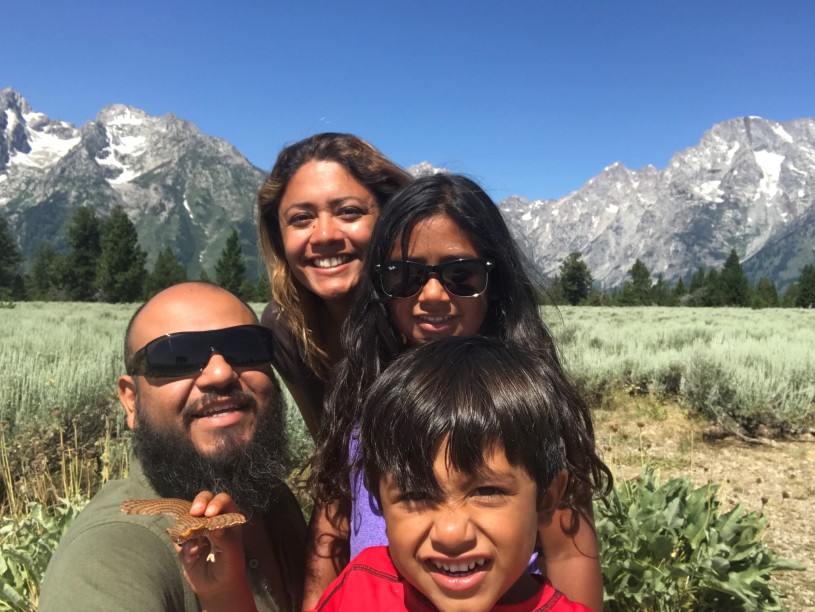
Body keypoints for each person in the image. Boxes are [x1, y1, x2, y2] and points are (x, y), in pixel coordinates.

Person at [308, 174, 612, 610]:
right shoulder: (360, 402)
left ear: (496, 283)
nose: (431, 294)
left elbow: (567, 552)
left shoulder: (527, 409)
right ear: (380, 286)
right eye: (404, 276)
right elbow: (331, 538)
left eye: (461, 274)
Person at [38, 282, 306, 612]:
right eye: (178, 356)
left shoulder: (272, 500)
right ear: (131, 401)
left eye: (245, 346)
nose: (220, 373)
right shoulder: (111, 558)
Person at [312, 336, 592, 612]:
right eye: (416, 495)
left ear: (546, 499)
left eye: (486, 491)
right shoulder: (360, 589)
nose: (450, 534)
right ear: (380, 503)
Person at [256, 133, 410, 437]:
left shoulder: (432, 306)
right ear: (279, 236)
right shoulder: (286, 327)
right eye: (301, 218)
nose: (324, 235)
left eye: (349, 212)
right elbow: (329, 448)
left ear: (391, 218)